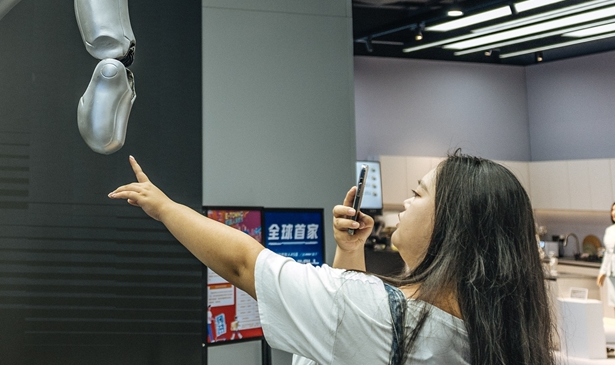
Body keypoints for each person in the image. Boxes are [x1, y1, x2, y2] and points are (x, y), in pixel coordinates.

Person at [109, 152, 553, 365]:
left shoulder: (383, 315)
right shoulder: (485, 335)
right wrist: (350, 251)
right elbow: (348, 341)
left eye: (417, 194)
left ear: (450, 224)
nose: (404, 202)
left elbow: (245, 264)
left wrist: (165, 207)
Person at [600, 201, 615, 308]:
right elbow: (608, 253)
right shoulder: (609, 230)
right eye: (612, 210)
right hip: (612, 271)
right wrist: (602, 271)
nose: (613, 212)